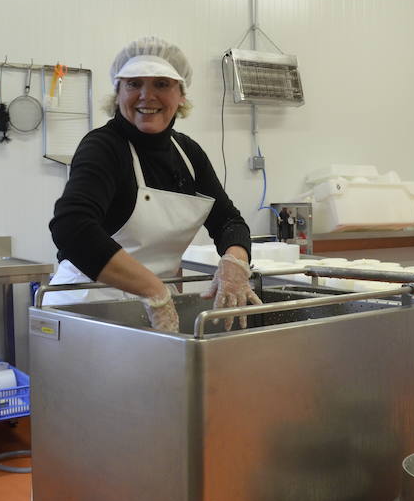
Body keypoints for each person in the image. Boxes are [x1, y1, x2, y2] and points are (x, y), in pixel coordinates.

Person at [46, 36, 261, 332]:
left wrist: (235, 262)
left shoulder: (188, 154)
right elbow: (72, 228)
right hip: (88, 305)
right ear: (118, 93)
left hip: (158, 307)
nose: (147, 96)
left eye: (161, 84)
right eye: (134, 84)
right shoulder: (103, 147)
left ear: (181, 95)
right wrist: (154, 290)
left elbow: (228, 221)